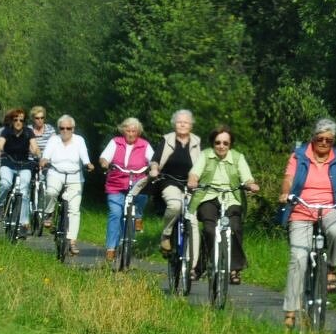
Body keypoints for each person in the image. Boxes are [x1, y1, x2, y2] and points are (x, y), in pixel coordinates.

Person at [278, 118, 336, 329]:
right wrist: (285, 192)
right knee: (298, 258)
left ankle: (331, 267)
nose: (323, 143)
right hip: (302, 209)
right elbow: (288, 177)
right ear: (313, 138)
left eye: (328, 140)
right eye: (320, 138)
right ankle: (291, 311)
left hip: (329, 208)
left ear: (333, 141)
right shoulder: (299, 156)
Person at [188, 125, 259, 284]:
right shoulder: (205, 155)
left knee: (235, 228)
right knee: (208, 230)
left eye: (225, 143)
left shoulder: (237, 157)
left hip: (231, 197)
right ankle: (200, 268)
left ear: (230, 145)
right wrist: (193, 180)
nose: (221, 146)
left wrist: (251, 184)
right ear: (213, 143)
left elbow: (247, 177)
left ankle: (234, 270)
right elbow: (195, 172)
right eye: (217, 142)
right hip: (209, 196)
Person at [148, 109, 202, 260]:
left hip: (191, 183)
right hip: (169, 180)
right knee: (175, 205)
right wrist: (154, 169)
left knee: (193, 219)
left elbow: (204, 163)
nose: (182, 124)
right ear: (174, 124)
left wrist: (199, 179)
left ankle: (192, 265)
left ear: (191, 125)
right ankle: (166, 236)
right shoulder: (167, 139)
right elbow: (155, 160)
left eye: (185, 122)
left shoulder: (197, 142)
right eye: (179, 122)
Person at [99, 117, 154, 263]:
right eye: (128, 131)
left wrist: (153, 167)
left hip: (136, 183)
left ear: (138, 132)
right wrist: (105, 163)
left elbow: (153, 160)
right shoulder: (115, 142)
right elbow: (104, 157)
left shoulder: (144, 145)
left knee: (142, 197)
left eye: (134, 131)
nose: (130, 134)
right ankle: (111, 248)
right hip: (116, 184)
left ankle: (138, 217)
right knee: (115, 214)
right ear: (123, 131)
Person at [40, 115, 95, 255]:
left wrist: (88, 164)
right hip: (56, 173)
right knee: (51, 192)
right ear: (59, 129)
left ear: (73, 129)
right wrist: (44, 160)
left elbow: (84, 156)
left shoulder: (79, 140)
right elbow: (46, 155)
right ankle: (49, 213)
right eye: (62, 128)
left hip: (75, 176)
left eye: (68, 128)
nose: (65, 131)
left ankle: (72, 241)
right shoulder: (54, 140)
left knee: (74, 210)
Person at [0, 107, 41, 226]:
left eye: (21, 120)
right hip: (8, 162)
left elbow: (34, 147)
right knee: (5, 183)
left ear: (24, 122)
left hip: (25, 165)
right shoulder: (6, 131)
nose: (18, 122)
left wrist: (37, 153)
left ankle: (23, 223)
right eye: (15, 119)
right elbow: (0, 144)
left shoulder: (29, 132)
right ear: (12, 121)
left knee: (24, 190)